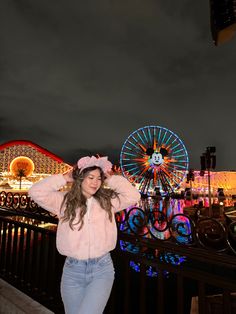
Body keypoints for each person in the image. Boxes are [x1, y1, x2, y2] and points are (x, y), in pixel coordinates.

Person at [28, 155, 140, 314]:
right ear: (80, 178)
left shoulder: (107, 202)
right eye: (90, 177)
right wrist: (65, 177)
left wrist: (112, 179)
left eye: (99, 178)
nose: (96, 182)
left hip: (102, 270)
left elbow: (133, 196)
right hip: (72, 271)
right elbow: (35, 191)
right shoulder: (63, 202)